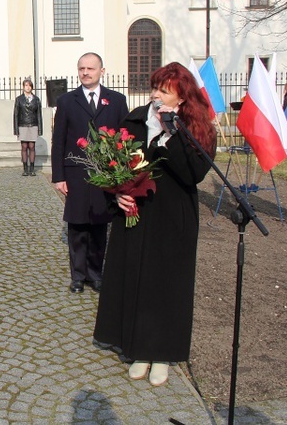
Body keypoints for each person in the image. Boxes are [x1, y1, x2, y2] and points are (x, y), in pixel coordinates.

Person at [93, 62, 216, 387]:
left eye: (164, 89)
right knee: (135, 278)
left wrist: (168, 135)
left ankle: (162, 353)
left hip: (173, 218)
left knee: (166, 285)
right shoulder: (134, 120)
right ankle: (137, 349)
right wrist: (115, 195)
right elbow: (113, 165)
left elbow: (194, 174)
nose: (155, 94)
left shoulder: (197, 128)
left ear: (182, 97)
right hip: (136, 213)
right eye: (155, 87)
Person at [51, 52, 128, 294]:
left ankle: (95, 274)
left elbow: (124, 139)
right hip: (76, 174)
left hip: (106, 174)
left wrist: (123, 176)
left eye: (90, 69)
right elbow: (59, 141)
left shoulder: (116, 100)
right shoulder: (66, 101)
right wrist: (59, 176)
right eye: (82, 68)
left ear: (101, 71)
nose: (85, 72)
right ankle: (78, 276)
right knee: (77, 227)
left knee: (99, 225)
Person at [13, 78, 43, 176]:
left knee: (32, 146)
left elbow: (39, 115)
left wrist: (40, 129)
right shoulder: (19, 99)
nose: (28, 87)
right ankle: (25, 168)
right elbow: (16, 114)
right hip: (22, 125)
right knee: (24, 146)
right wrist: (16, 129)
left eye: (29, 85)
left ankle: (32, 168)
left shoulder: (36, 99)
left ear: (32, 87)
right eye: (26, 85)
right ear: (23, 87)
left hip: (33, 124)